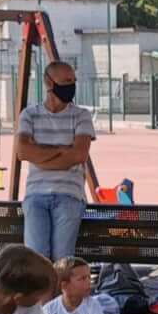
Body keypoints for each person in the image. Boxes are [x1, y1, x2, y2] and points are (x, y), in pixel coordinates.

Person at [14, 61, 96, 262]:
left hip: (69, 194)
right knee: (37, 259)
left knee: (62, 261)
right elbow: (22, 151)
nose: (72, 85)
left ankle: (58, 285)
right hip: (36, 195)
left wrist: (40, 156)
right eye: (67, 81)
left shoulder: (81, 115)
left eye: (73, 80)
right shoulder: (29, 114)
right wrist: (62, 150)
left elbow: (79, 155)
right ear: (49, 83)